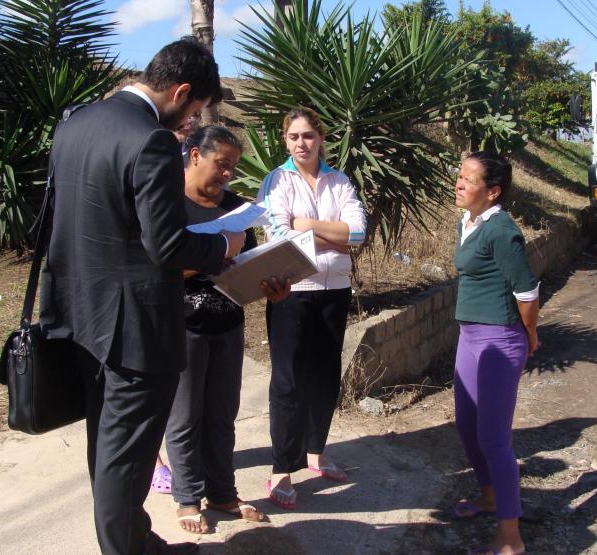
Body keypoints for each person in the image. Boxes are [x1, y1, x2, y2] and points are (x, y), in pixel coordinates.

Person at [38, 38, 246, 555]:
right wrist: (226, 242)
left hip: (78, 312)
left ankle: (138, 542)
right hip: (132, 328)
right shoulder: (151, 140)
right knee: (125, 458)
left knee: (106, 446)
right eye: (195, 110)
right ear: (179, 91)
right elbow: (168, 244)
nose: (192, 124)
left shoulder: (75, 123)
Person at [150, 125, 290, 534]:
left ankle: (224, 493)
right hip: (182, 325)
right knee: (185, 415)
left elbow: (245, 264)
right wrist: (214, 255)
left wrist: (273, 288)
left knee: (222, 415)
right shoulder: (167, 204)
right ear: (194, 155)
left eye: (232, 168)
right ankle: (188, 498)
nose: (227, 175)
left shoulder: (236, 209)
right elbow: (160, 265)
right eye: (221, 165)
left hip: (227, 324)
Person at [257, 107, 367, 510]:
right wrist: (331, 236)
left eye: (308, 136)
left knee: (324, 376)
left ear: (322, 138)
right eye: (293, 137)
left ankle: (315, 452)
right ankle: (281, 468)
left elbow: (358, 232)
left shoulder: (339, 182)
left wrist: (309, 225)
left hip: (335, 290)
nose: (301, 143)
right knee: (287, 381)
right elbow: (280, 235)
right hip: (291, 291)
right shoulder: (277, 180)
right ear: (285, 140)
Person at [449, 152, 539, 555]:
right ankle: (489, 498)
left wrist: (530, 335)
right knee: (467, 425)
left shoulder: (502, 231)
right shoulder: (468, 221)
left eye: (469, 179)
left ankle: (510, 537)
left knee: (494, 437)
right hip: (469, 336)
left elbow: (527, 292)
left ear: (493, 191)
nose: (460, 182)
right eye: (460, 175)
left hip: (500, 339)